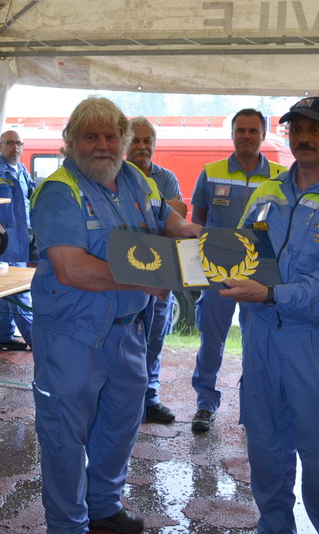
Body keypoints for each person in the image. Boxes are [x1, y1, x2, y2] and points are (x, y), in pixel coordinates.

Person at [29, 97, 201, 534]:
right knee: (65, 435)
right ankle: (67, 525)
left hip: (129, 331)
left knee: (121, 424)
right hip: (73, 334)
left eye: (110, 136)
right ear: (71, 141)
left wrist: (191, 233)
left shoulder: (135, 179)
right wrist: (145, 280)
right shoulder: (59, 191)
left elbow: (165, 217)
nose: (102, 145)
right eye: (91, 136)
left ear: (123, 141)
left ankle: (103, 506)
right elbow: (71, 268)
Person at [221, 97, 319, 534]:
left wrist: (271, 294)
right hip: (261, 340)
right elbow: (241, 253)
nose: (304, 138)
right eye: (297, 129)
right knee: (266, 451)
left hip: (316, 344)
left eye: (315, 129)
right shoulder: (268, 191)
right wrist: (201, 263)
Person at [189, 108, 286, 432]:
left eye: (253, 131)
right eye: (240, 130)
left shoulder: (280, 177)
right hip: (216, 274)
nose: (246, 136)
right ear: (232, 134)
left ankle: (254, 407)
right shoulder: (211, 173)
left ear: (263, 135)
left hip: (259, 275)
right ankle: (205, 405)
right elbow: (197, 222)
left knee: (257, 343)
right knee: (211, 341)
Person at [127, 116, 185, 424]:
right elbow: (160, 217)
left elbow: (175, 221)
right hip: (128, 272)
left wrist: (154, 218)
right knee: (126, 339)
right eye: (135, 140)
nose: (141, 146)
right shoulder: (116, 177)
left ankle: (149, 400)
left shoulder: (167, 177)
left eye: (147, 140)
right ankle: (126, 401)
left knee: (155, 336)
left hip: (162, 270)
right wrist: (163, 213)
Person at [0, 129, 37, 351]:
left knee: (7, 291)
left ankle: (1, 336)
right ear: (0, 146)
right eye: (10, 143)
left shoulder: (22, 170)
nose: (15, 147)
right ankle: (36, 340)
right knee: (18, 292)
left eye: (19, 143)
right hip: (3, 243)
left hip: (22, 240)